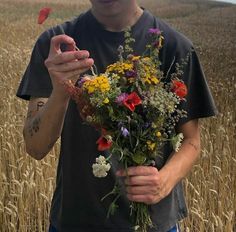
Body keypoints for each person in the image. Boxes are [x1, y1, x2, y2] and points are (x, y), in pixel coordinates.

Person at [16, 0, 217, 231]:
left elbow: (191, 141)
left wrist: (163, 182)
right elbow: (35, 147)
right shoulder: (57, 48)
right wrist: (61, 90)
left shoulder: (174, 47)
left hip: (153, 224)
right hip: (76, 221)